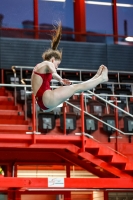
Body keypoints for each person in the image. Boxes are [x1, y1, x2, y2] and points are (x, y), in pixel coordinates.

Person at [31, 22, 108, 112]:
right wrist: (60, 80)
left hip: (43, 104)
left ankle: (96, 77)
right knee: (76, 88)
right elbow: (54, 72)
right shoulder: (48, 63)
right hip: (47, 99)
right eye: (57, 64)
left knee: (75, 89)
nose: (57, 67)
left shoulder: (38, 67)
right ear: (52, 59)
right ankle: (101, 78)